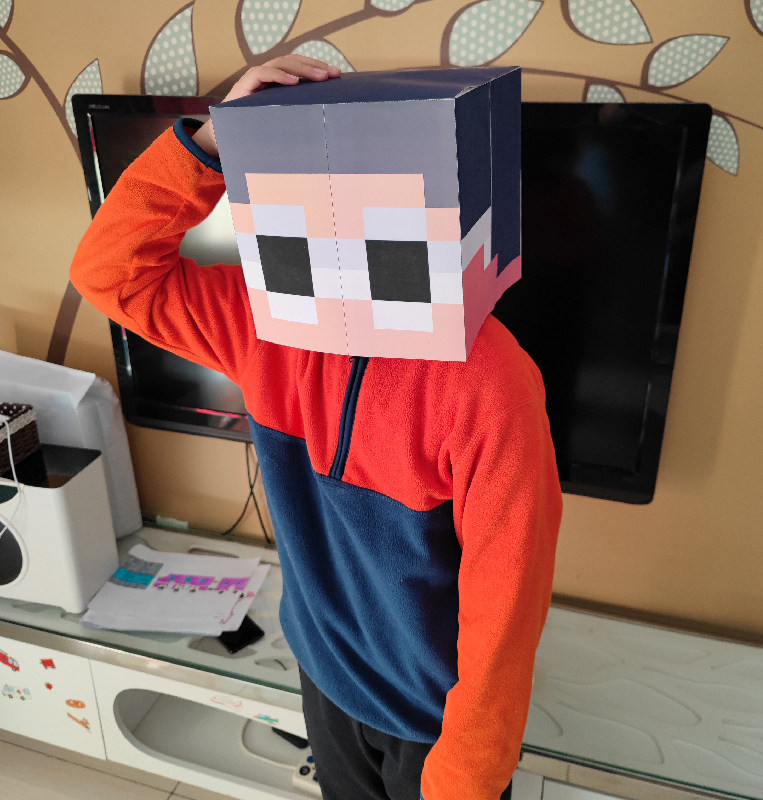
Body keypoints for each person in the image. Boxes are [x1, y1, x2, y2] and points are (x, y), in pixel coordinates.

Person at [70, 55, 562, 800]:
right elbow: (111, 272)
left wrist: (466, 776)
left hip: (432, 721)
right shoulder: (265, 322)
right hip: (325, 676)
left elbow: (508, 605)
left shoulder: (489, 383)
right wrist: (211, 142)